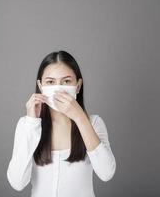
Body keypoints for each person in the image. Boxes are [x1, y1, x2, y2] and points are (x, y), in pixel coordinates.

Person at [7, 50, 116, 197]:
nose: (58, 88)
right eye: (50, 82)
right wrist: (32, 124)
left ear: (78, 85)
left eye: (66, 81)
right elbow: (17, 183)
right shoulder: (26, 125)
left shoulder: (94, 123)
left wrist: (80, 118)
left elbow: (106, 173)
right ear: (40, 86)